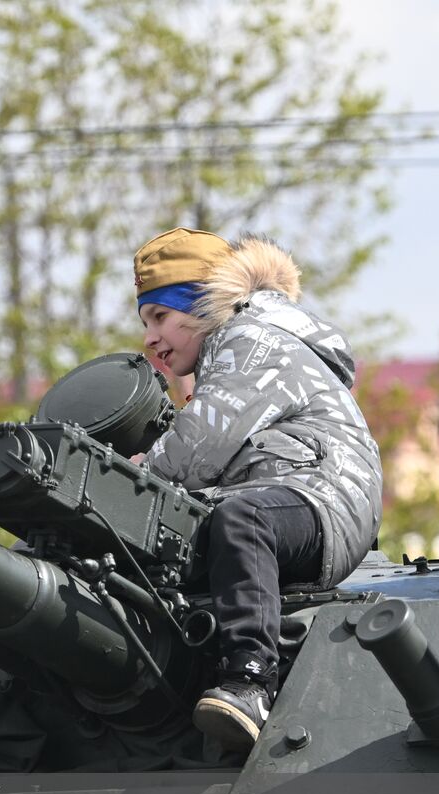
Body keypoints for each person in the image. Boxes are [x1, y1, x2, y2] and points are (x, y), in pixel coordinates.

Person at [134, 228, 383, 749]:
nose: (150, 337)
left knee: (242, 520)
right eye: (144, 322)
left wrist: (137, 472)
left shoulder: (253, 341)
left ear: (202, 304)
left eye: (160, 317)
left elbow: (200, 445)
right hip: (283, 493)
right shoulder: (230, 348)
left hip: (323, 498)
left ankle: (250, 681)